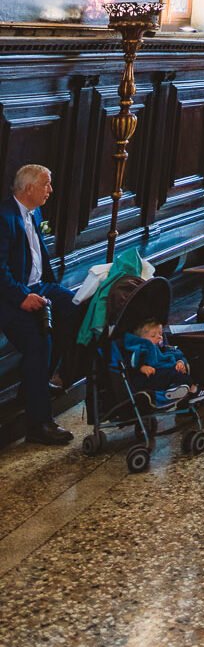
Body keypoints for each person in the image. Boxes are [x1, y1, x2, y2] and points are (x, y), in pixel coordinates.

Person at [0, 164, 79, 444]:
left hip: (39, 286)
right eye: (46, 184)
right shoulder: (5, 217)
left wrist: (49, 289)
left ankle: (41, 381)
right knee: (39, 341)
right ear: (28, 188)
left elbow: (37, 257)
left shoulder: (35, 211)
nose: (51, 190)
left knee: (75, 307)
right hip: (10, 297)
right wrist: (22, 297)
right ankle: (39, 423)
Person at [117, 315, 204, 410]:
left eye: (160, 334)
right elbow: (131, 361)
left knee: (180, 372)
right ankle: (193, 390)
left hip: (161, 376)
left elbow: (173, 352)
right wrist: (141, 367)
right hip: (147, 378)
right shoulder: (141, 347)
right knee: (175, 374)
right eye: (153, 335)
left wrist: (179, 362)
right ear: (140, 338)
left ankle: (175, 392)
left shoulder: (161, 347)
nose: (159, 337)